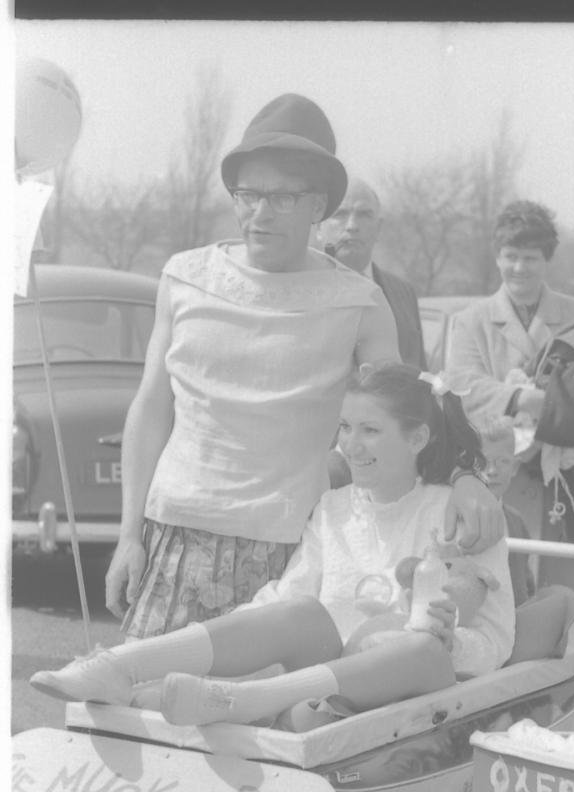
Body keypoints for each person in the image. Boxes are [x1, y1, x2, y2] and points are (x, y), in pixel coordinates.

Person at [104, 93, 504, 641]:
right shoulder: (183, 277)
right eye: (247, 195)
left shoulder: (358, 302)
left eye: (283, 198)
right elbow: (150, 407)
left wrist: (463, 478)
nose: (260, 213)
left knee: (269, 718)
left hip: (290, 553)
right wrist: (130, 535)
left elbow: (403, 415)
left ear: (318, 206)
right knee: (148, 710)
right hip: (173, 539)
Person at [32, 363, 515, 728]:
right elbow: (286, 600)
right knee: (300, 608)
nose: (350, 445)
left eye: (370, 430)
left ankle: (246, 701)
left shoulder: (462, 511)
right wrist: (243, 628)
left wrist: (452, 643)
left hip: (414, 689)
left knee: (421, 646)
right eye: (345, 428)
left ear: (418, 439)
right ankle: (119, 666)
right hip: (325, 678)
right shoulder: (335, 508)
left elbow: (495, 639)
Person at [447, 199, 574, 609]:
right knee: (506, 602)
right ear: (497, 257)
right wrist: (526, 397)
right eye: (511, 257)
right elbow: (462, 386)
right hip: (504, 480)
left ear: (546, 260)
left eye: (530, 258)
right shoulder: (471, 320)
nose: (519, 268)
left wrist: (560, 403)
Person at [477, 416, 574, 665]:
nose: (492, 471)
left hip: (514, 619)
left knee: (561, 597)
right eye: (482, 463)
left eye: (502, 462)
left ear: (514, 467)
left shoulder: (516, 520)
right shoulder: (464, 518)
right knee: (565, 600)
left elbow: (526, 582)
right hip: (483, 626)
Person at [318, 177, 427, 370]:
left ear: (379, 228)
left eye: (364, 214)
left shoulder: (403, 292)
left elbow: (418, 371)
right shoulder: (303, 287)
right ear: (319, 226)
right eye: (340, 214)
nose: (352, 225)